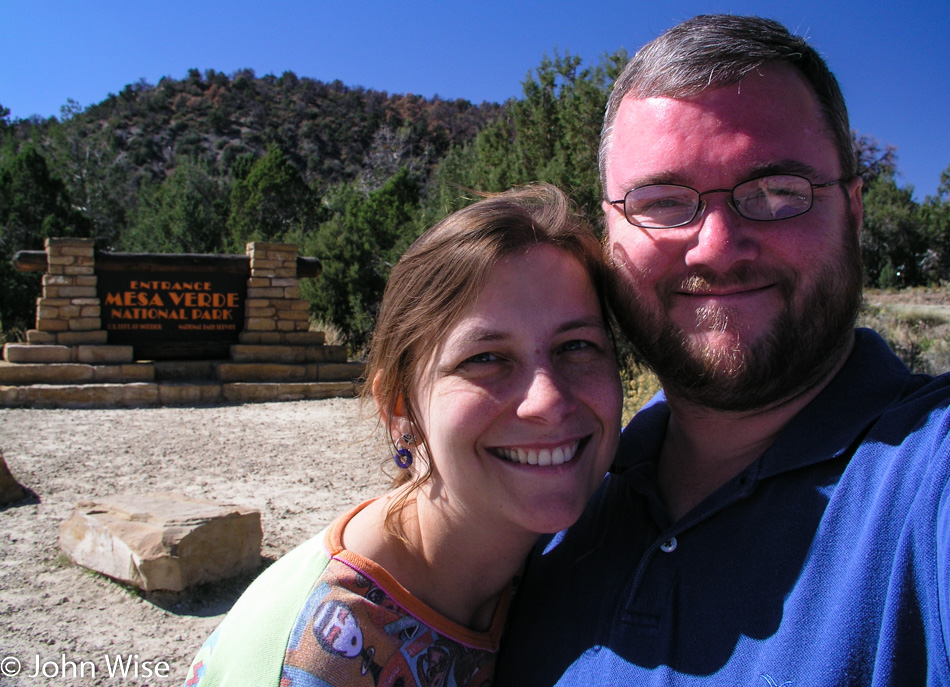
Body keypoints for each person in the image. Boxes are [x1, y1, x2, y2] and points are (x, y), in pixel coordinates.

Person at [495, 15, 950, 686]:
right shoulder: (559, 490)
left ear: (854, 210)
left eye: (776, 192)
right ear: (610, 229)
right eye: (663, 201)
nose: (715, 245)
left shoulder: (926, 479)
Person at [183, 183, 623, 686]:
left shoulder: (551, 553)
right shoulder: (319, 661)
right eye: (485, 359)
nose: (548, 400)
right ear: (401, 410)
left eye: (578, 346)